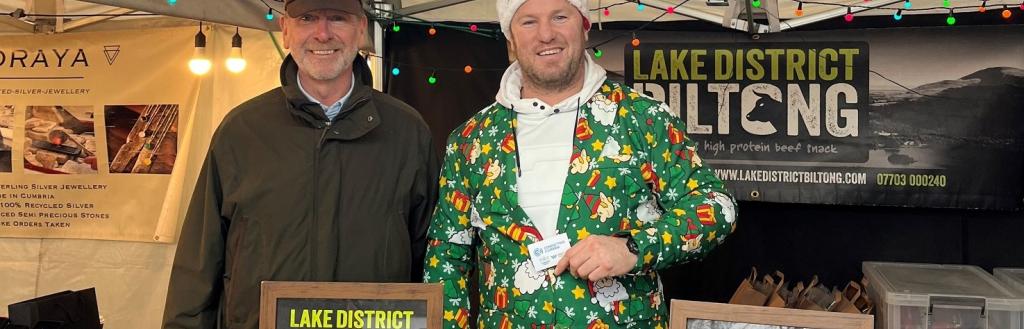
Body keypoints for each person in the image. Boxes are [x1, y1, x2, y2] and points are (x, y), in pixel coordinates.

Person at [423, 0, 739, 328]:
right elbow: (446, 255)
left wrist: (633, 248)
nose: (546, 34)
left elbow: (717, 208)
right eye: (528, 22)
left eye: (560, 17)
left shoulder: (642, 118)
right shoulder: (472, 139)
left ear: (584, 26)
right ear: (511, 40)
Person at [162, 0, 438, 328]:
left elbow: (433, 259)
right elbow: (200, 260)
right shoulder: (241, 131)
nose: (322, 34)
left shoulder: (407, 131)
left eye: (337, 18)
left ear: (361, 29)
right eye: (307, 18)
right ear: (286, 30)